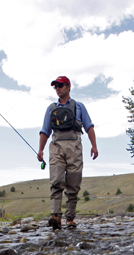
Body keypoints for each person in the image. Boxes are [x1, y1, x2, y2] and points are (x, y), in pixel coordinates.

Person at [37, 76, 98, 230]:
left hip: (74, 147)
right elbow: (45, 130)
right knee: (56, 181)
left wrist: (94, 146)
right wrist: (40, 150)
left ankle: (70, 218)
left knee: (73, 183)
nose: (57, 88)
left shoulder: (79, 107)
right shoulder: (51, 109)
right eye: (55, 86)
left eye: (61, 85)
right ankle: (55, 215)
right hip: (56, 147)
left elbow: (89, 126)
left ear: (68, 86)